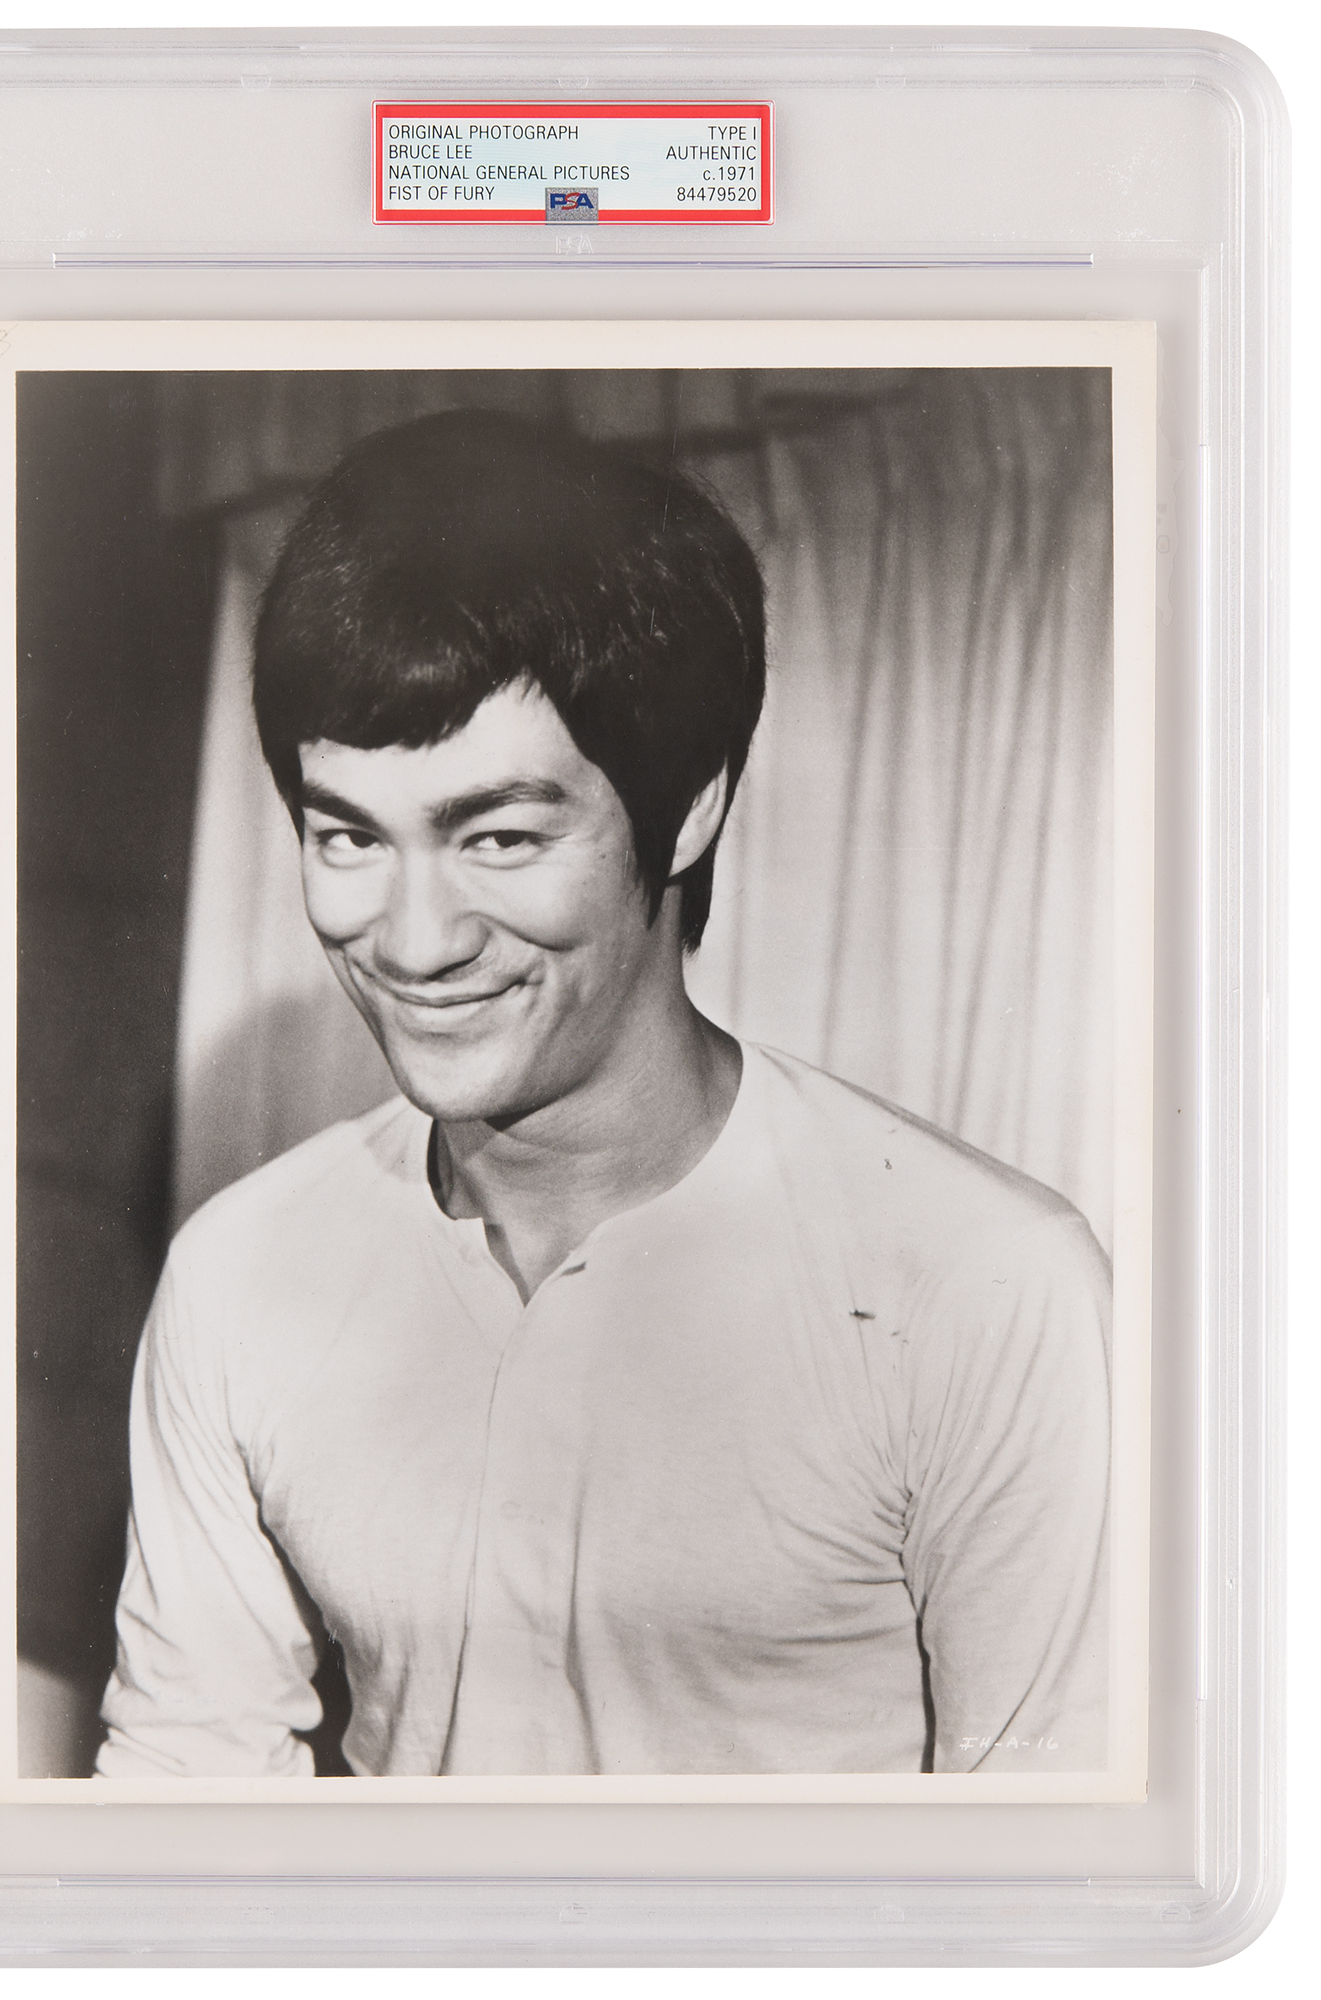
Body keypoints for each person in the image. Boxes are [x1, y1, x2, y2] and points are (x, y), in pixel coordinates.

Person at [95, 408, 1110, 1781]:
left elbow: (1054, 1867)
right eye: (348, 836)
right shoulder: (238, 1273)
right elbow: (184, 1802)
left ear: (689, 809)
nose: (414, 941)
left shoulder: (987, 1284)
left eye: (501, 837)